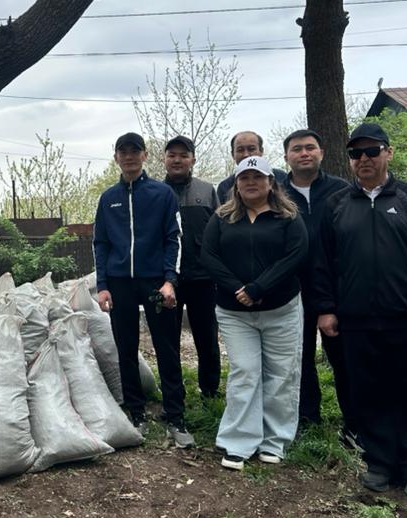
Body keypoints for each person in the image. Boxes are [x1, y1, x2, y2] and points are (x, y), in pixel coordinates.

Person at [312, 123, 407, 502]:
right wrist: (325, 309)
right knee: (367, 393)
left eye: (372, 151)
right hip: (355, 320)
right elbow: (323, 262)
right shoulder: (337, 204)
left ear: (388, 153)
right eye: (356, 154)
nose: (364, 159)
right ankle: (379, 463)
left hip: (406, 317)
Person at [202, 155, 307, 470]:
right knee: (245, 373)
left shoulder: (288, 216)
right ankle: (238, 442)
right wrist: (239, 288)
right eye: (244, 177)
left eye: (257, 177)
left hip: (281, 309)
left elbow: (296, 254)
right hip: (235, 313)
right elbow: (208, 255)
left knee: (282, 374)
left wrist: (259, 288)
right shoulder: (222, 217)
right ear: (236, 184)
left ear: (270, 182)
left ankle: (274, 441)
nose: (251, 183)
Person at [93, 132, 193, 448]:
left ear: (145, 155)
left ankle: (175, 413)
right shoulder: (108, 198)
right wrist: (103, 286)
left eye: (134, 151)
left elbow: (173, 238)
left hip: (155, 282)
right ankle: (135, 411)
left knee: (167, 348)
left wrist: (169, 280)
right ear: (116, 157)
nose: (129, 156)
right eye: (123, 151)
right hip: (120, 283)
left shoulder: (161, 194)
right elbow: (101, 243)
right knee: (125, 349)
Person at [280, 129, 353, 439]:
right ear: (286, 157)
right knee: (299, 358)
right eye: (297, 149)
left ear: (321, 153)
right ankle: (307, 416)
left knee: (343, 358)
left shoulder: (342, 191)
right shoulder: (277, 193)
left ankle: (354, 422)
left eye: (310, 147)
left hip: (335, 289)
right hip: (291, 289)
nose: (304, 153)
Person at [162, 135, 223, 399]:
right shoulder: (155, 192)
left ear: (193, 160)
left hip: (202, 277)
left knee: (207, 336)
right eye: (172, 155)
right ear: (164, 159)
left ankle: (210, 389)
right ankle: (174, 392)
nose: (177, 160)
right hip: (167, 280)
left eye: (183, 155)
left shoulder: (208, 190)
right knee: (168, 339)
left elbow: (220, 230)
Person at [216, 131, 288, 204]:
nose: (246, 155)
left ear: (261, 151)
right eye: (240, 150)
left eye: (251, 149)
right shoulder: (225, 187)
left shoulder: (282, 178)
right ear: (233, 154)